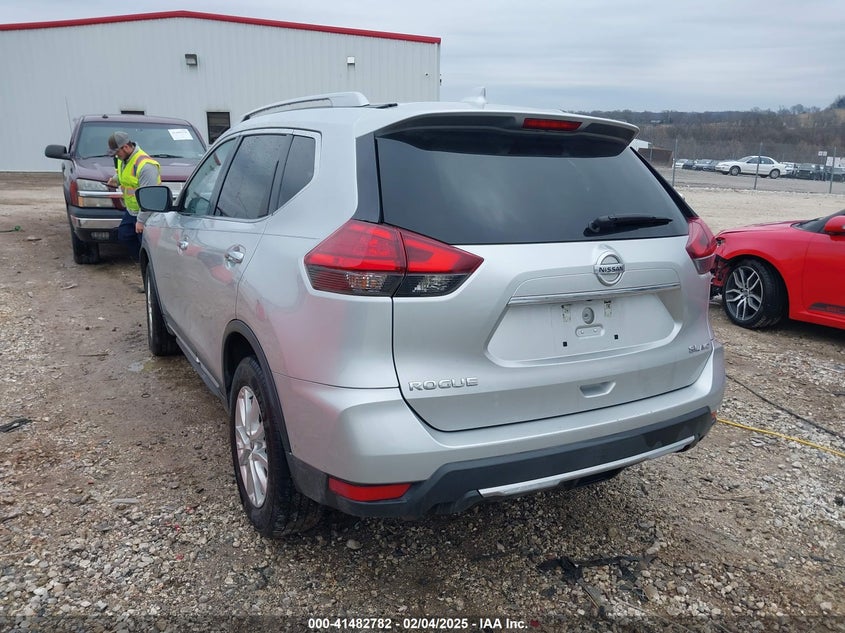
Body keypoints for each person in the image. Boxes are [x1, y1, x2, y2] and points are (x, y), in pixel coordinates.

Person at [106, 131, 161, 262]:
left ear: (125, 147)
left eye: (117, 152)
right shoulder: (123, 159)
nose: (116, 156)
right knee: (124, 235)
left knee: (146, 245)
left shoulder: (146, 166)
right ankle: (142, 262)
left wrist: (141, 221)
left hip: (147, 214)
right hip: (132, 211)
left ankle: (151, 266)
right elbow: (125, 175)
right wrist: (115, 180)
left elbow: (150, 197)